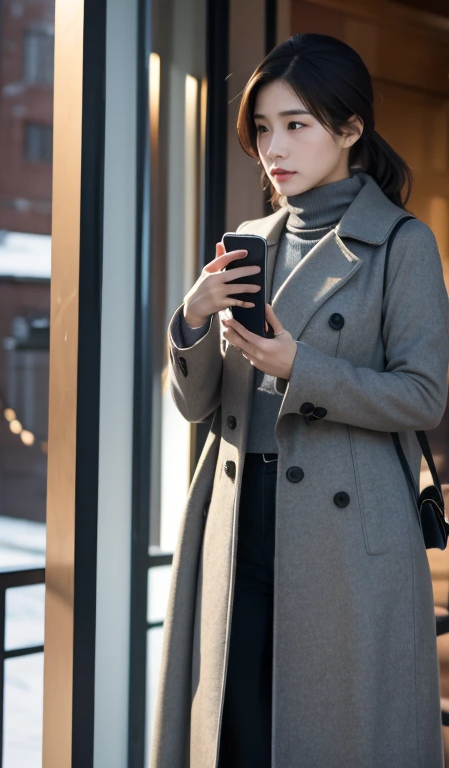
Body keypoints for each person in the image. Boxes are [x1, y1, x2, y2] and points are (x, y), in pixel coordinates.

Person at [150, 33, 449, 768]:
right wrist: (190, 322)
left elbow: (424, 396)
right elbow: (194, 409)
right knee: (237, 733)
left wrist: (302, 368)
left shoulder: (403, 245)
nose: (273, 148)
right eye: (261, 127)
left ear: (349, 130)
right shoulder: (250, 241)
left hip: (344, 539)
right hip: (236, 520)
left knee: (331, 737)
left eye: (296, 124)